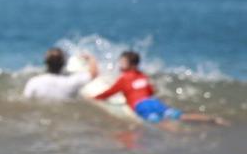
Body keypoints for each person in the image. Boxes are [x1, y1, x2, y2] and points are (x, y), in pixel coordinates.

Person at [93, 50, 227, 126]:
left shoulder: (124, 79)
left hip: (141, 106)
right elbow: (151, 91)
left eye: (122, 62)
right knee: (178, 115)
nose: (120, 64)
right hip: (154, 102)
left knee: (160, 122)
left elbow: (108, 93)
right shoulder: (143, 76)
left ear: (130, 65)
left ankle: (181, 136)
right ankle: (212, 119)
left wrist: (93, 98)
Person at [23, 46, 98, 100]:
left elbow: (26, 100)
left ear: (46, 62)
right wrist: (90, 58)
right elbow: (94, 74)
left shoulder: (34, 82)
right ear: (64, 63)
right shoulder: (71, 81)